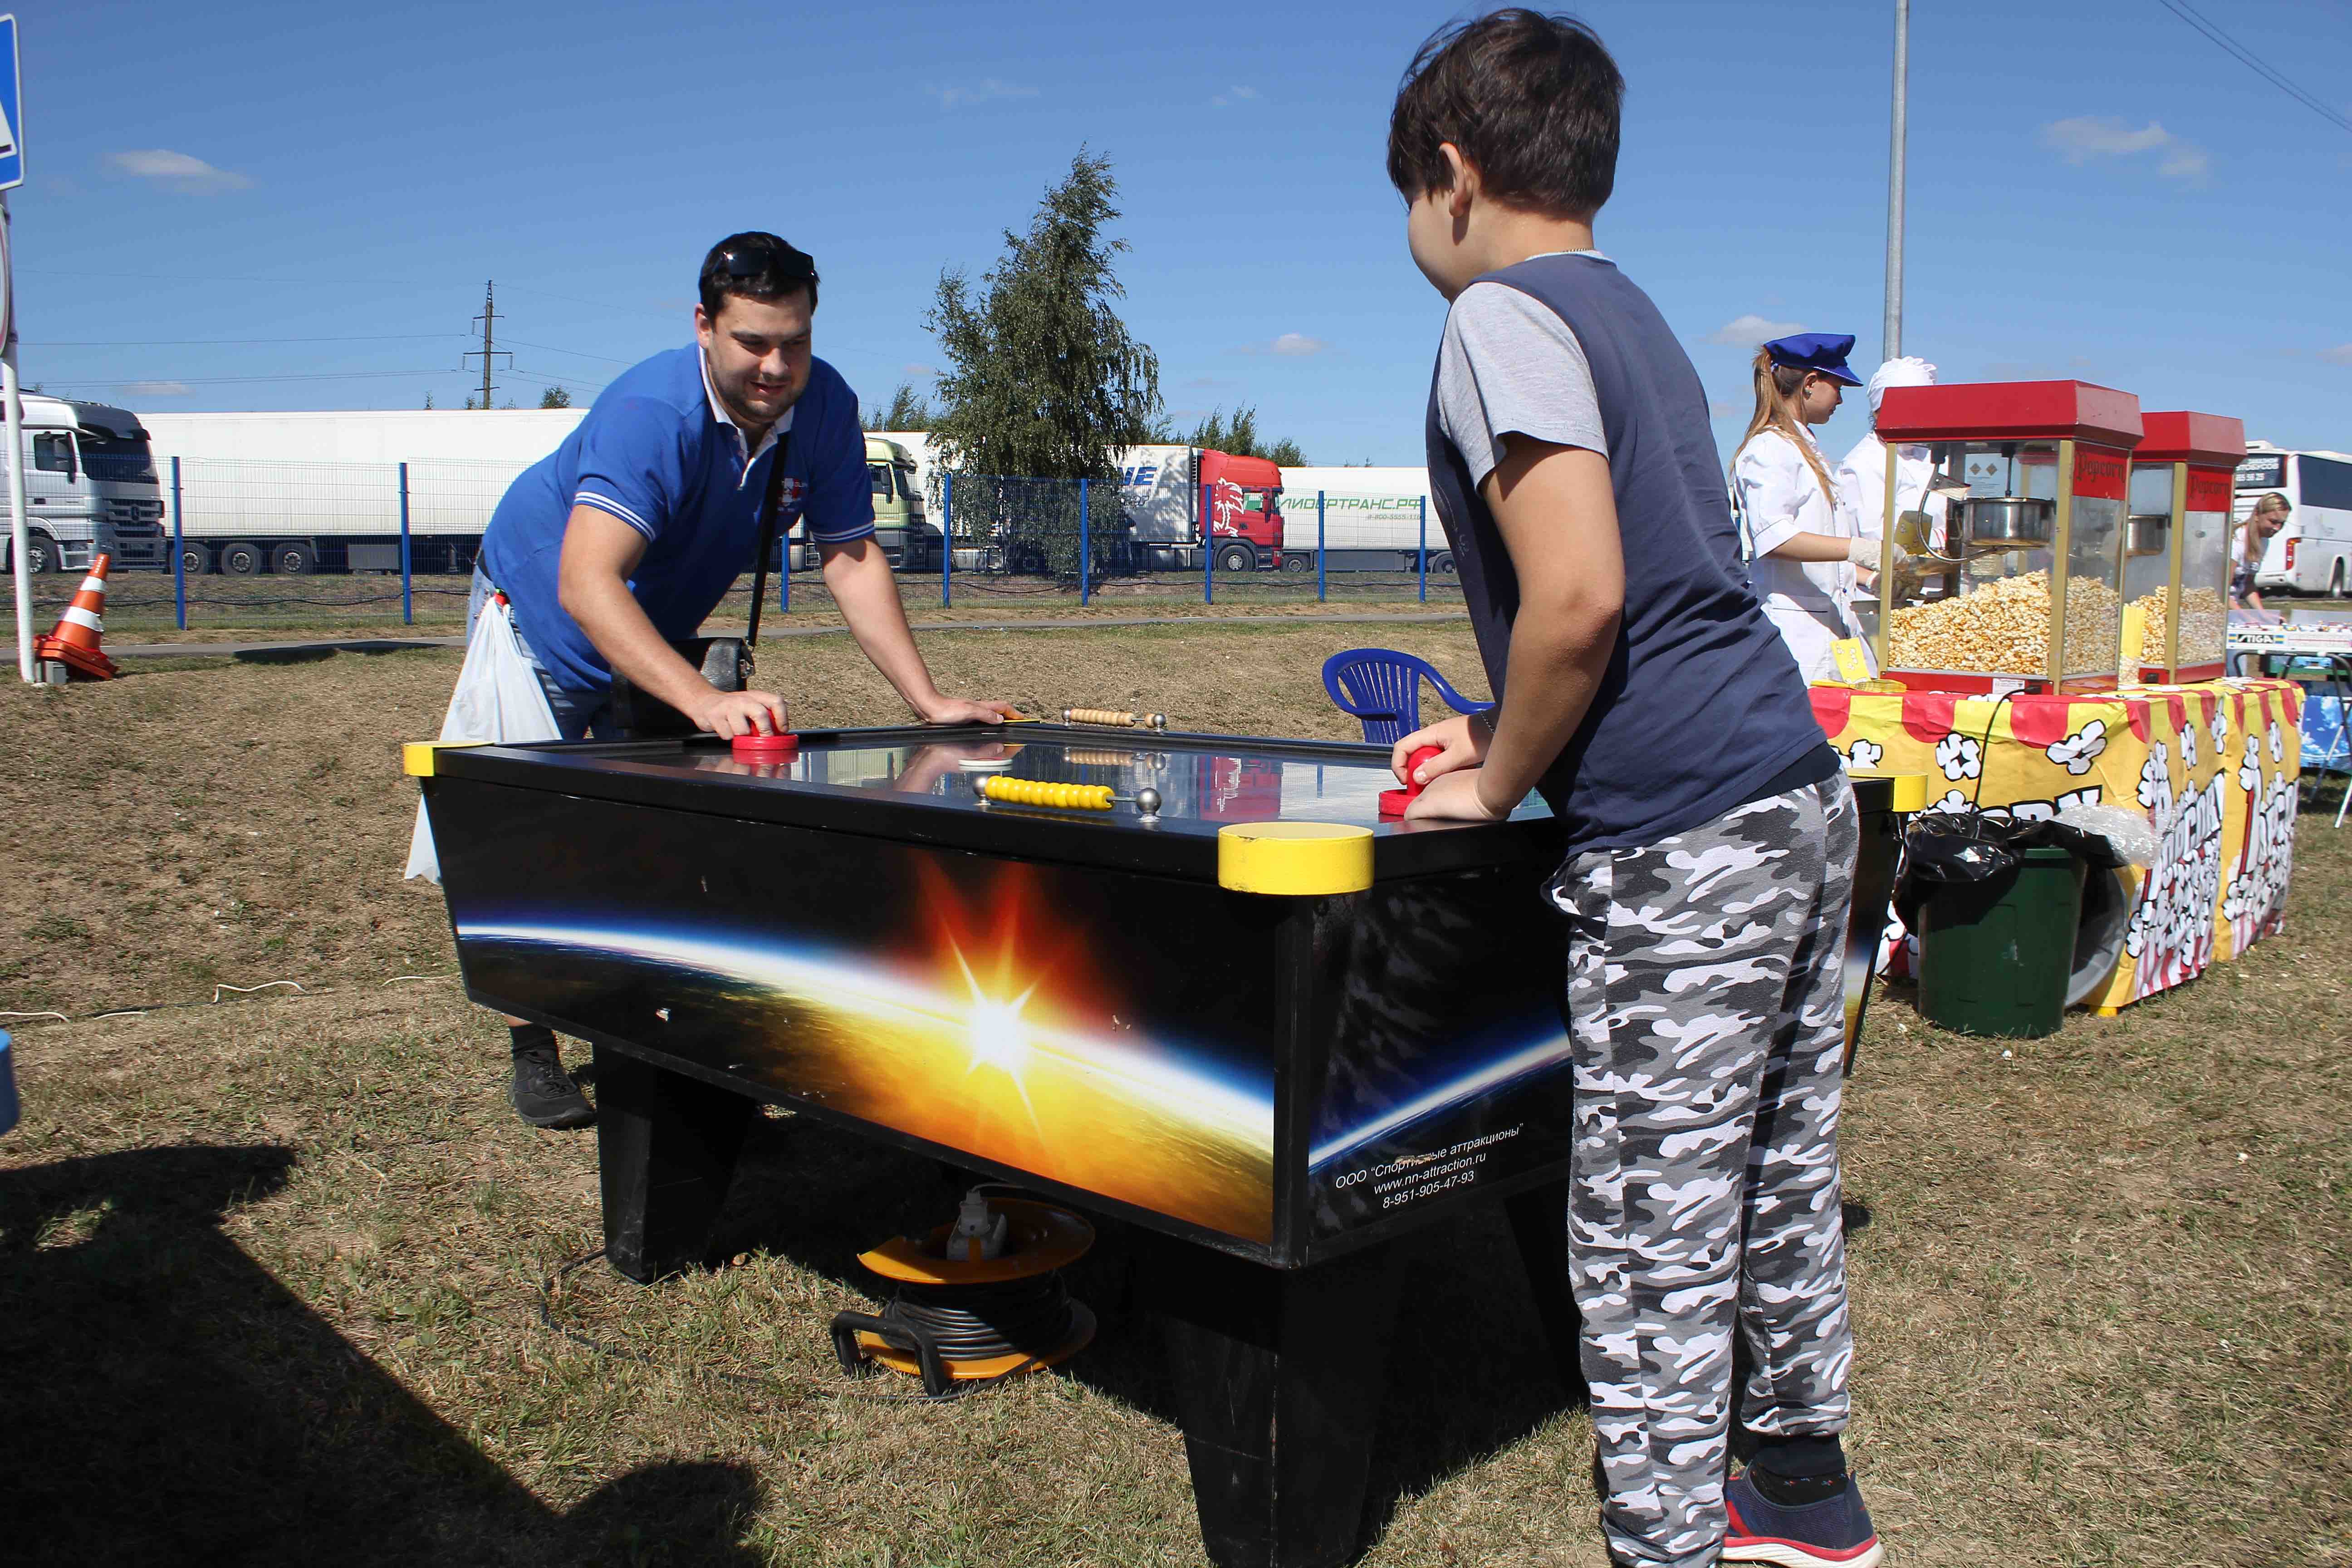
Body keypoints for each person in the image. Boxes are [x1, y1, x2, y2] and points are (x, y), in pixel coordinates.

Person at [1382, 12, 1880, 1568]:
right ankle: (1797, 1483)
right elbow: (1648, 592)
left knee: (1651, 1224)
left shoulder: (1498, 319)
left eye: (1405, 194)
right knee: (1779, 1161)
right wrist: (1493, 727)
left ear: (1451, 174)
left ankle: (1660, 1541)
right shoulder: (1634, 313)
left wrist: (1495, 781)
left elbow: (1582, 597)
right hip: (1794, 786)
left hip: (1684, 835)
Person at [467, 233, 1017, 1127]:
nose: (775, 365)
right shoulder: (652, 412)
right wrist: (701, 698)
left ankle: (674, 1054)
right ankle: (535, 1043)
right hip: (536, 629)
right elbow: (586, 582)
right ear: (703, 327)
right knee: (533, 849)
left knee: (659, 854)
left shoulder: (825, 406)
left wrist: (926, 700)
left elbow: (850, 555)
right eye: (752, 342)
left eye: (793, 341)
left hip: (654, 635)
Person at [1732, 334, 1907, 683]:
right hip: (1798, 639)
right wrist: (1861, 549)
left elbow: (1820, 553)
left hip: (1830, 630)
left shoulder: (1804, 447)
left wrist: (1869, 577)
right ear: (1810, 384)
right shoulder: (1770, 448)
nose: (1840, 399)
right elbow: (1777, 539)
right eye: (1838, 386)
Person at [1837, 355, 1941, 551]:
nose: (1917, 416)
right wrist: (1943, 539)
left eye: (1924, 407)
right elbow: (1871, 538)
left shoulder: (1934, 455)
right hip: (1889, 578)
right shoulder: (1863, 464)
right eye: (1907, 407)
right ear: (1878, 412)